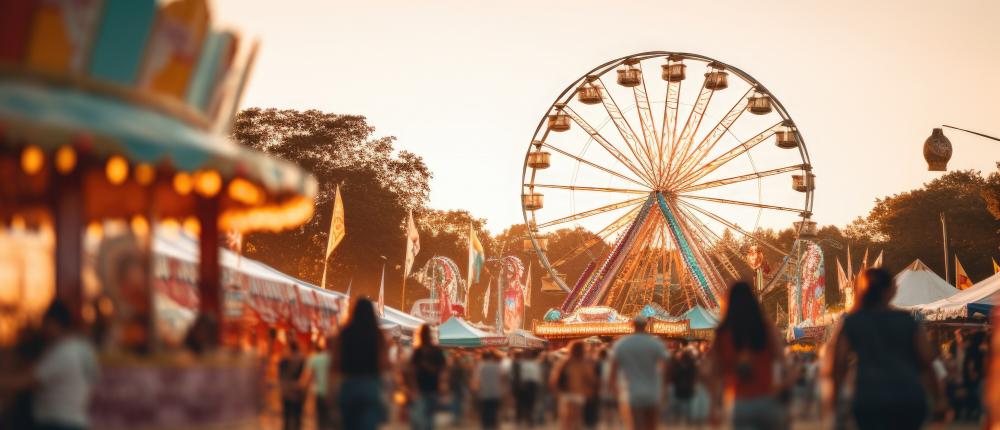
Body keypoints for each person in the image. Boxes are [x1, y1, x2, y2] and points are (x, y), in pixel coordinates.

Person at [831, 268, 946, 430]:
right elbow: (926, 361)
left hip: (868, 398)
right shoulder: (906, 321)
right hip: (908, 396)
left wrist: (834, 402)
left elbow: (837, 365)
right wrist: (938, 398)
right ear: (890, 291)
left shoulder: (851, 322)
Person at [2, 300, 100, 430]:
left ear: (53, 323)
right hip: (76, 420)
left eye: (45, 323)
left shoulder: (62, 352)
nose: (43, 329)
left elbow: (24, 381)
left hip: (57, 422)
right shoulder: (84, 349)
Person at [708, 281, 792, 430]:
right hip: (767, 399)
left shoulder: (723, 333)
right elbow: (782, 362)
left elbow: (714, 373)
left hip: (739, 402)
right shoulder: (765, 327)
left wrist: (714, 406)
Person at [334, 298, 390, 430]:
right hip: (370, 384)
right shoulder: (377, 334)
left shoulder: (345, 333)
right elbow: (384, 362)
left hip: (349, 384)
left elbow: (336, 362)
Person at [610, 316, 669, 430]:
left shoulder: (622, 344)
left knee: (635, 426)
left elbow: (613, 369)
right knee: (651, 426)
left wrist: (614, 389)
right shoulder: (655, 343)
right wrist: (664, 386)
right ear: (645, 325)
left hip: (631, 393)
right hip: (653, 392)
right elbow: (666, 365)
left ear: (632, 325)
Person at [549, 341, 597, 430]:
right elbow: (591, 379)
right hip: (579, 393)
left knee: (566, 420)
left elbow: (554, 378)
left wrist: (557, 392)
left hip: (565, 393)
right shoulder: (585, 363)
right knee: (577, 420)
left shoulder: (564, 362)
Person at [407, 324, 447, 430]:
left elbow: (412, 370)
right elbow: (443, 368)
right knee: (429, 417)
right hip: (433, 386)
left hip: (421, 387)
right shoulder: (436, 350)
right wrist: (442, 382)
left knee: (423, 416)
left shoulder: (418, 351)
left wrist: (413, 386)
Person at [301, 337, 335, 430]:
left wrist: (302, 390)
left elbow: (307, 377)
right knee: (333, 421)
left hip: (320, 392)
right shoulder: (338, 359)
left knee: (321, 420)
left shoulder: (316, 359)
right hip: (334, 395)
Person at [472, 350, 505, 430]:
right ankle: (493, 425)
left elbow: (476, 380)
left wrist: (475, 389)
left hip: (484, 392)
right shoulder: (498, 366)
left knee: (485, 411)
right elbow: (502, 378)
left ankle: (486, 426)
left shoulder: (480, 366)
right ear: (492, 357)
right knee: (494, 411)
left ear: (483, 357)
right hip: (496, 392)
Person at [278, 339, 306, 430]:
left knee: (287, 418)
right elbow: (304, 375)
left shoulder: (284, 359)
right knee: (297, 418)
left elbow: (280, 375)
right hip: (298, 391)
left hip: (287, 392)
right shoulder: (302, 358)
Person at [513, 350, 543, 427]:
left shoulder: (535, 363)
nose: (528, 355)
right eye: (526, 353)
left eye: (529, 353)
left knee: (531, 403)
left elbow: (537, 375)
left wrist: (537, 384)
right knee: (522, 403)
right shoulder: (520, 363)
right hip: (523, 385)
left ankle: (529, 420)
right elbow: (517, 375)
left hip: (532, 385)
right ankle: (522, 419)